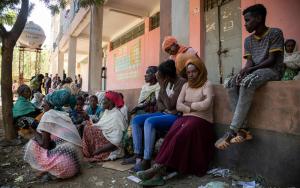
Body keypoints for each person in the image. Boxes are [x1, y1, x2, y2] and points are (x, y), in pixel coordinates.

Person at [137, 55, 215, 186]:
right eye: (188, 72)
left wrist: (188, 105)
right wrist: (194, 105)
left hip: (202, 121)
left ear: (200, 71)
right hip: (186, 118)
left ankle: (157, 171)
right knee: (171, 136)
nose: (190, 75)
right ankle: (158, 171)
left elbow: (206, 104)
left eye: (194, 71)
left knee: (180, 135)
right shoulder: (186, 86)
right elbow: (178, 105)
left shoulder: (207, 84)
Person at [215, 4, 284, 149]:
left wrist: (250, 70)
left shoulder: (275, 33)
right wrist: (243, 70)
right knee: (232, 82)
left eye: (247, 20)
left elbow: (271, 60)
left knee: (247, 82)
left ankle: (232, 131)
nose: (245, 24)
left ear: (259, 18)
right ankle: (244, 129)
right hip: (256, 70)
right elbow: (250, 62)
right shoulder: (248, 40)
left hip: (272, 70)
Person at [130, 59, 186, 171]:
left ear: (167, 75)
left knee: (149, 122)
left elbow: (170, 104)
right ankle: (138, 155)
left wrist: (162, 88)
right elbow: (160, 103)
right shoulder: (166, 82)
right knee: (136, 120)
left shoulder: (181, 83)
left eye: (161, 76)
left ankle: (147, 159)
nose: (159, 78)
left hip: (176, 117)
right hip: (165, 113)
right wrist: (167, 107)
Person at [24, 91, 82, 180]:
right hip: (76, 164)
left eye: (45, 103)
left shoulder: (48, 115)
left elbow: (45, 144)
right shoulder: (64, 114)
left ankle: (49, 169)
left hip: (62, 167)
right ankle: (52, 171)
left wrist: (33, 130)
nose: (42, 105)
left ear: (51, 106)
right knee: (53, 144)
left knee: (33, 143)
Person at [82, 91, 127, 162]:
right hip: (105, 139)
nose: (102, 102)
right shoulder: (107, 112)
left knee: (89, 129)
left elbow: (116, 141)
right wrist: (88, 120)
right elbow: (100, 125)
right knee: (87, 127)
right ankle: (89, 153)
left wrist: (99, 151)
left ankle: (95, 152)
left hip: (112, 147)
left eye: (105, 99)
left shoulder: (116, 115)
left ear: (111, 102)